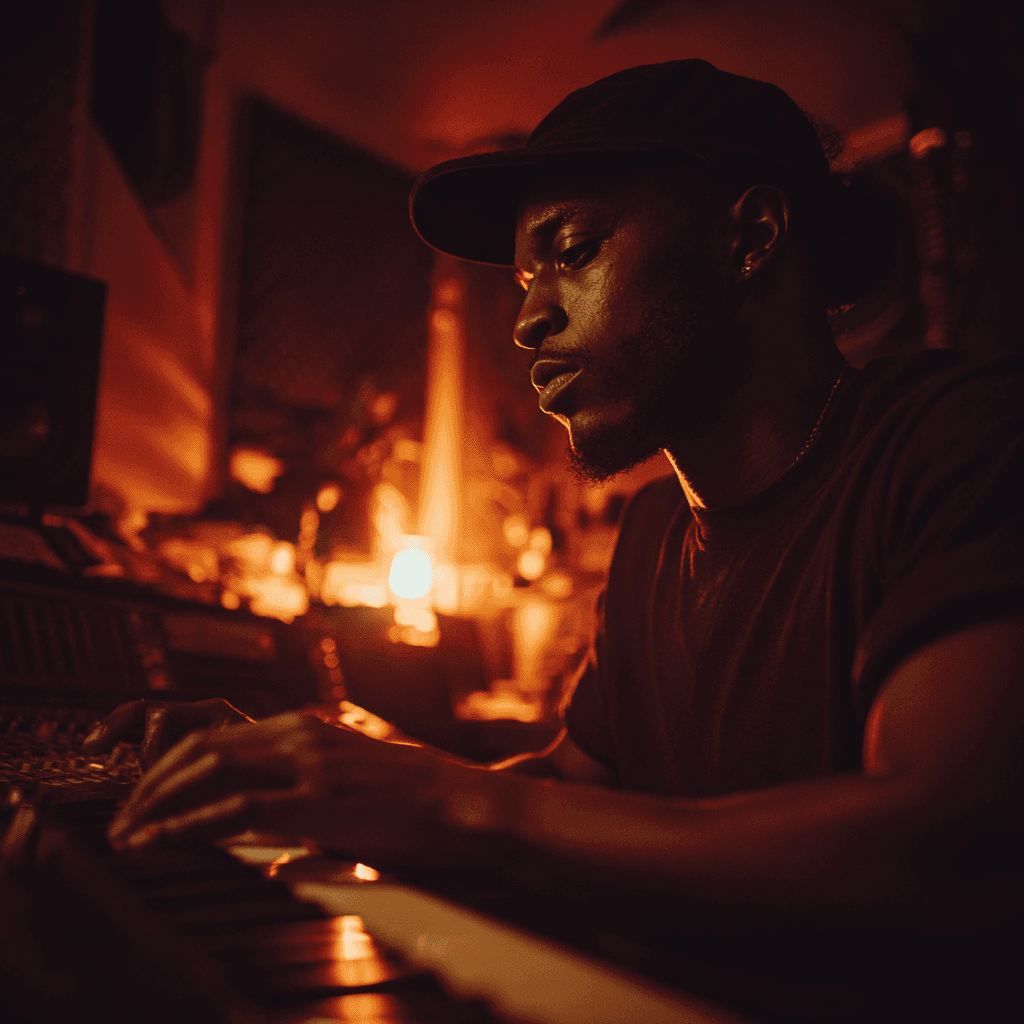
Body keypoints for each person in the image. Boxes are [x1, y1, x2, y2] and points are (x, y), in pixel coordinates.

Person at [86, 61, 1022, 1022]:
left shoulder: (961, 439)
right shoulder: (656, 530)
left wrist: (452, 805)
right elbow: (565, 795)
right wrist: (305, 765)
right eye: (526, 278)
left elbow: (951, 846)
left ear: (751, 236)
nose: (528, 318)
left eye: (573, 251)